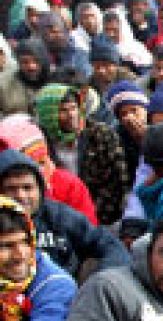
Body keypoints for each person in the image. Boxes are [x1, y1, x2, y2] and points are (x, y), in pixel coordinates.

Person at [0, 149, 128, 277]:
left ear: (40, 189)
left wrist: (99, 281)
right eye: (11, 189)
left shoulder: (60, 216)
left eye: (27, 188)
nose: (21, 196)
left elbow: (110, 246)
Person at [33, 83, 130, 225]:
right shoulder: (38, 142)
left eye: (74, 108)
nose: (71, 115)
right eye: (63, 111)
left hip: (101, 216)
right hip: (54, 217)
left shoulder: (101, 135)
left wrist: (87, 218)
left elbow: (118, 183)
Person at [0, 115, 99, 224]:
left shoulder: (68, 185)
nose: (21, 195)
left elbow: (88, 232)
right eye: (11, 188)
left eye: (41, 162)